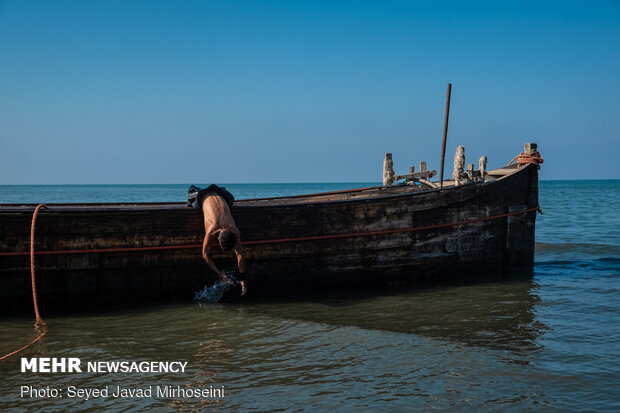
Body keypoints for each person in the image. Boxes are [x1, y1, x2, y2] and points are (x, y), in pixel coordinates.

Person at [188, 184, 246, 295]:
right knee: (192, 199)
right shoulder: (212, 230)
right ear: (218, 238)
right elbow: (205, 255)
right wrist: (221, 275)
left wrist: (242, 279)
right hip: (201, 194)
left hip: (220, 192)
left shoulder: (233, 231)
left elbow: (240, 255)